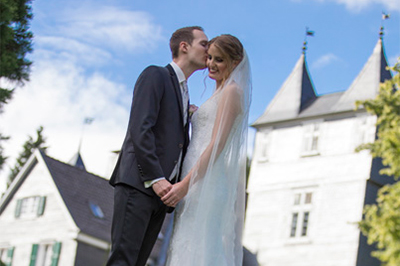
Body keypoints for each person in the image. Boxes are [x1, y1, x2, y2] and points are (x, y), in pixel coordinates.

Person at [107, 26, 208, 266]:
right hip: (140, 184)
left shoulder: (184, 92)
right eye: (203, 43)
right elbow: (140, 128)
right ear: (184, 46)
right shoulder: (155, 75)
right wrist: (156, 178)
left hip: (162, 195)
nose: (209, 49)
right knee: (123, 261)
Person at [162, 34, 252, 266]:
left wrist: (185, 185)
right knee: (187, 245)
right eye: (210, 57)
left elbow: (216, 145)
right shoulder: (220, 91)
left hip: (205, 182)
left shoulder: (232, 91)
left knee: (200, 249)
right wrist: (196, 114)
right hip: (196, 180)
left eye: (219, 60)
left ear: (236, 61)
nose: (211, 64)